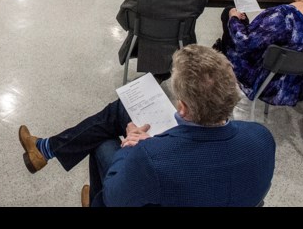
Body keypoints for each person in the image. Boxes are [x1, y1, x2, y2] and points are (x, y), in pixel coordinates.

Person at [17, 44, 275, 207]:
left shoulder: (150, 157)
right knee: (120, 110)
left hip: (158, 177)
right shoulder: (262, 137)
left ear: (182, 107)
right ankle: (45, 149)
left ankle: (53, 158)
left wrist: (131, 147)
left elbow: (118, 198)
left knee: (103, 145)